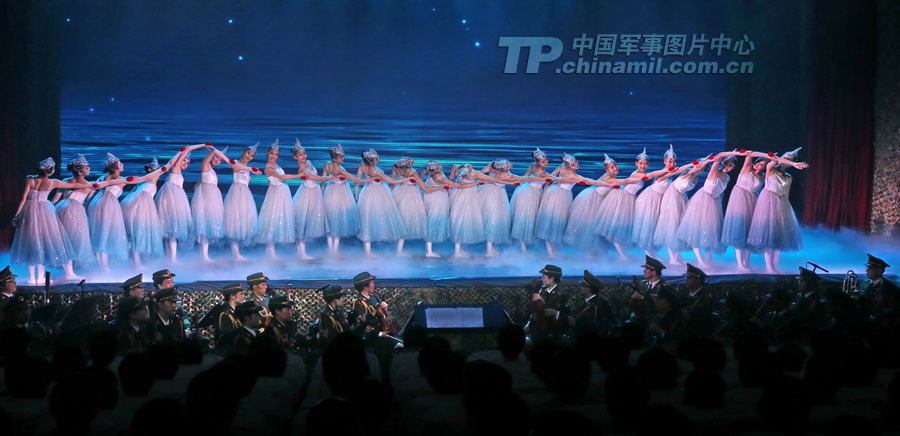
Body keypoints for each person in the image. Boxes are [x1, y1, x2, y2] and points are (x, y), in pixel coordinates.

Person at [11, 157, 98, 283]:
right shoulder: (53, 182)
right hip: (43, 212)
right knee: (41, 243)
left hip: (29, 211)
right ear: (51, 171)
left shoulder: (30, 179)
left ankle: (32, 278)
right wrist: (91, 185)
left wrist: (16, 215)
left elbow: (23, 198)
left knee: (30, 242)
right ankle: (40, 277)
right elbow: (73, 185)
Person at [746, 147, 809, 273]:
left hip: (781, 203)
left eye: (787, 159)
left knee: (779, 235)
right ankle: (769, 267)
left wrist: (786, 210)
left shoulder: (788, 177)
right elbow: (774, 159)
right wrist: (792, 163)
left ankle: (775, 265)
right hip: (768, 202)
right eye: (783, 157)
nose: (783, 159)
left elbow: (786, 193)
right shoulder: (771, 168)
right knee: (768, 234)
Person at [676, 154, 737, 267]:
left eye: (730, 166)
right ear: (722, 162)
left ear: (733, 168)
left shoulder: (727, 178)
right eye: (726, 164)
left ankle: (708, 259)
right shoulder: (714, 171)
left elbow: (720, 191)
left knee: (710, 231)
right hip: (703, 199)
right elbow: (718, 157)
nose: (727, 167)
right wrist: (734, 154)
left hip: (714, 202)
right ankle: (700, 260)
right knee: (697, 229)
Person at [632, 145, 692, 258]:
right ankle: (648, 254)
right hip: (650, 199)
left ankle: (653, 253)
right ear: (664, 161)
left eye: (674, 162)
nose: (672, 164)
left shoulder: (669, 172)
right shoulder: (663, 172)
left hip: (660, 200)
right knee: (648, 225)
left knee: (655, 227)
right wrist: (691, 165)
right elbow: (675, 172)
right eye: (669, 161)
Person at [155, 143, 210, 262]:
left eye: (187, 163)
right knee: (172, 230)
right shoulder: (175, 169)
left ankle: (170, 258)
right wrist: (202, 145)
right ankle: (172, 259)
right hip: (171, 199)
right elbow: (185, 151)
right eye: (183, 161)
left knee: (170, 231)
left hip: (176, 198)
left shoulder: (179, 173)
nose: (185, 163)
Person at [653, 157, 711, 266]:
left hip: (681, 197)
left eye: (703, 169)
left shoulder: (696, 178)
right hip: (672, 197)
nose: (700, 170)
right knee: (671, 225)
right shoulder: (687, 172)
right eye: (700, 167)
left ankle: (678, 257)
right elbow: (694, 169)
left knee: (679, 225)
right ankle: (672, 258)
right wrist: (706, 161)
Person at [592, 152, 649, 259]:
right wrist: (666, 171)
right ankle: (622, 255)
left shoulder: (637, 173)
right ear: (636, 163)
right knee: (616, 227)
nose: (643, 166)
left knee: (620, 228)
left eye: (645, 164)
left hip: (628, 198)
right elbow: (647, 176)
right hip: (622, 199)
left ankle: (623, 254)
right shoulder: (636, 174)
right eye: (641, 163)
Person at [718, 150, 768, 271]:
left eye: (762, 165)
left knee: (749, 232)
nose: (758, 165)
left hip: (752, 200)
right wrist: (767, 156)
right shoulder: (747, 168)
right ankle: (740, 264)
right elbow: (749, 155)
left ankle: (747, 262)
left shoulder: (762, 176)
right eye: (758, 162)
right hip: (740, 198)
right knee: (739, 229)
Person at [256, 139, 306, 259]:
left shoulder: (275, 165)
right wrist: (299, 175)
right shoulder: (268, 168)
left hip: (281, 193)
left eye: (276, 154)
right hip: (277, 193)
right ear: (267, 153)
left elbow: (270, 181)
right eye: (272, 153)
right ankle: (270, 253)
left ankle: (272, 253)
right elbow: (282, 177)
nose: (274, 156)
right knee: (271, 221)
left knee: (277, 220)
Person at [356, 148, 409, 257]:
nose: (378, 159)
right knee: (389, 218)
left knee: (367, 220)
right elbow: (392, 181)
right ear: (372, 161)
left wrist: (357, 195)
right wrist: (406, 179)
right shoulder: (377, 172)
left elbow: (357, 182)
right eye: (376, 158)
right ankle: (398, 251)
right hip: (379, 194)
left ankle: (368, 252)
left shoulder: (362, 166)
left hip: (367, 192)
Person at [52, 154, 98, 270]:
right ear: (80, 172)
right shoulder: (89, 185)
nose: (89, 168)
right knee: (78, 237)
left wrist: (50, 209)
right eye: (87, 167)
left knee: (64, 236)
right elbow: (87, 202)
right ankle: (73, 265)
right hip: (76, 211)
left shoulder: (66, 181)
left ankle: (65, 264)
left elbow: (56, 198)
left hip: (62, 209)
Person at [119, 156, 166, 268]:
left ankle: (135, 259)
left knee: (138, 234)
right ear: (149, 169)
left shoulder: (144, 182)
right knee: (138, 234)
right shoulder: (149, 179)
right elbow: (168, 166)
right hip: (139, 209)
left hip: (137, 208)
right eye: (156, 168)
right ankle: (137, 262)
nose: (159, 170)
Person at [420, 161, 474, 257]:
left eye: (439, 165)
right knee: (432, 222)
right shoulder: (439, 177)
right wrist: (476, 183)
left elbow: (421, 177)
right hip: (436, 199)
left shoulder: (431, 172)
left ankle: (429, 250)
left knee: (431, 221)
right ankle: (428, 252)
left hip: (432, 197)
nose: (441, 166)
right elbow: (459, 186)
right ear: (435, 169)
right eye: (438, 166)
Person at [291, 140, 333, 260]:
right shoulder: (302, 171)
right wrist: (335, 176)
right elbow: (320, 179)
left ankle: (300, 252)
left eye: (304, 153)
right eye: (300, 155)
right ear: (295, 157)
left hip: (314, 194)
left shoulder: (309, 163)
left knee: (307, 221)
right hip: (306, 195)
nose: (303, 156)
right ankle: (301, 252)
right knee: (302, 222)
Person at [323, 144, 366, 255]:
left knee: (331, 219)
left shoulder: (327, 165)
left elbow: (323, 181)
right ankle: (334, 251)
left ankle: (331, 250)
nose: (343, 158)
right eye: (341, 157)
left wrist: (322, 193)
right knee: (337, 220)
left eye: (343, 156)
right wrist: (370, 179)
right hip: (340, 194)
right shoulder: (339, 169)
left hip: (330, 191)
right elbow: (356, 180)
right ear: (334, 159)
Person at [222, 143, 263, 260]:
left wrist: (251, 170)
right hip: (235, 194)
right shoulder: (235, 162)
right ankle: (236, 254)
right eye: (248, 153)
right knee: (233, 221)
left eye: (252, 155)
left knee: (242, 221)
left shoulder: (249, 171)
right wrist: (251, 169)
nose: (249, 156)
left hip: (245, 196)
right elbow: (236, 167)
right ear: (243, 152)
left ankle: (237, 253)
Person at [477, 159, 525, 257]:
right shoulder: (495, 169)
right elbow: (481, 174)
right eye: (508, 165)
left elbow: (518, 179)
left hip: (498, 194)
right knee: (492, 219)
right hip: (491, 195)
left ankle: (491, 248)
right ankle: (488, 251)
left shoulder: (507, 174)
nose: (511, 165)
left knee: (495, 220)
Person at [191, 145, 229, 262]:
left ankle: (204, 255)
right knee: (204, 225)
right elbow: (205, 160)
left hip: (211, 199)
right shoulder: (206, 165)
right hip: (206, 199)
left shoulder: (211, 171)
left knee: (207, 225)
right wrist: (213, 150)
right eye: (217, 157)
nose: (218, 160)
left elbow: (196, 185)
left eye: (220, 160)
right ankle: (204, 256)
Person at [510, 148, 550, 253]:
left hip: (527, 190)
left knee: (528, 218)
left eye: (546, 160)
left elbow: (524, 177)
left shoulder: (533, 165)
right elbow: (554, 179)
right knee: (527, 218)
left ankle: (524, 246)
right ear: (538, 162)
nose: (546, 162)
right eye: (543, 161)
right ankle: (524, 248)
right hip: (530, 195)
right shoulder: (541, 173)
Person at [348, 272, 402, 348]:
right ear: (365, 287)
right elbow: (361, 325)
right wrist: (379, 333)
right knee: (398, 345)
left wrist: (384, 308)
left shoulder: (374, 296)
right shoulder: (359, 303)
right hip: (372, 336)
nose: (374, 285)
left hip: (384, 331)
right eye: (372, 283)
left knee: (402, 341)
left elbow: (381, 314)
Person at [391, 156, 428, 256]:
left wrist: (389, 195)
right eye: (409, 160)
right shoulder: (412, 172)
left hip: (398, 192)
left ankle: (398, 249)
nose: (412, 161)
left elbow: (392, 183)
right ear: (407, 164)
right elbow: (423, 187)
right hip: (410, 196)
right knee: (405, 221)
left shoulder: (396, 168)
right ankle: (399, 252)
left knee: (399, 220)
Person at [448, 164, 486, 257]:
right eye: (469, 166)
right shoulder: (461, 169)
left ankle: (459, 249)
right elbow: (451, 180)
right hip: (462, 195)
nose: (471, 165)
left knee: (464, 221)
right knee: (459, 220)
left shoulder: (471, 172)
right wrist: (449, 191)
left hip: (468, 195)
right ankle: (457, 251)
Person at [525, 265, 570, 338]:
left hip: (551, 331)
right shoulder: (542, 291)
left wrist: (541, 302)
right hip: (539, 327)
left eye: (544, 277)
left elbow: (554, 313)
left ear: (551, 279)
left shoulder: (560, 294)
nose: (542, 279)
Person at [575, 270, 618, 337]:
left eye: (583, 285)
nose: (580, 287)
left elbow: (584, 326)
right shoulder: (594, 301)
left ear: (589, 289)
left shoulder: (593, 306)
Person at [681, 263, 718, 338]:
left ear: (698, 281)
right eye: (686, 277)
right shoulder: (689, 296)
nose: (686, 280)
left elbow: (696, 316)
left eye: (689, 278)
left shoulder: (703, 297)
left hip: (698, 336)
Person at [316, 284, 351, 349]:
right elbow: (329, 335)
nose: (344, 299)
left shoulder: (337, 312)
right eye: (342, 297)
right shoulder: (326, 315)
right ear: (335, 299)